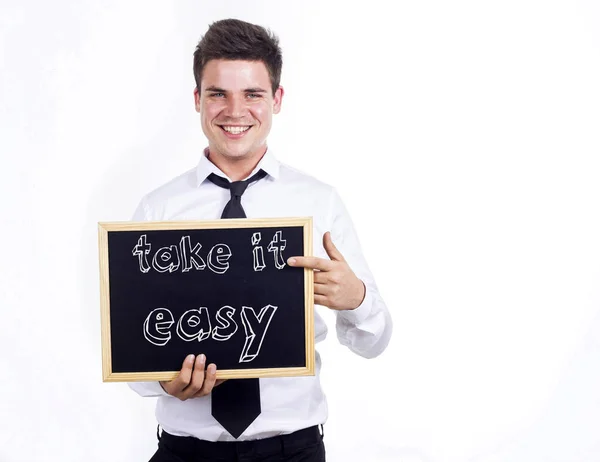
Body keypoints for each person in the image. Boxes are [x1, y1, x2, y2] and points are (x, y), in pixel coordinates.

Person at [128, 18, 393, 462]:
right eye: (218, 94)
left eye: (252, 94)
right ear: (197, 100)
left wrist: (357, 298)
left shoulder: (319, 202)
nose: (235, 111)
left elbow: (375, 340)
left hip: (294, 451)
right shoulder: (158, 210)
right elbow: (131, 353)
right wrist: (162, 382)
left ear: (276, 99)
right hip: (185, 454)